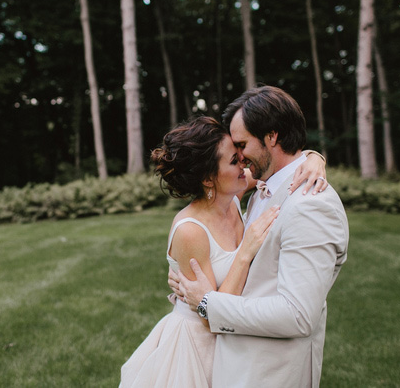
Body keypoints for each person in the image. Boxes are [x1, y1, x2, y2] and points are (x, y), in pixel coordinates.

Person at [119, 115, 328, 387]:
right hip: (198, 347)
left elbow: (282, 167)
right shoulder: (190, 230)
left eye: (239, 153)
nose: (243, 162)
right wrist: (245, 253)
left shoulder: (232, 194)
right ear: (208, 179)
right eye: (233, 159)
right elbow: (209, 316)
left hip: (235, 341)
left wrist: (314, 159)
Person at [171, 86, 349, 387]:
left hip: (269, 372)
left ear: (272, 137)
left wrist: (206, 302)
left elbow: (297, 315)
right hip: (236, 362)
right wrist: (313, 156)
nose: (239, 158)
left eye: (241, 144)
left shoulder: (310, 206)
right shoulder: (266, 183)